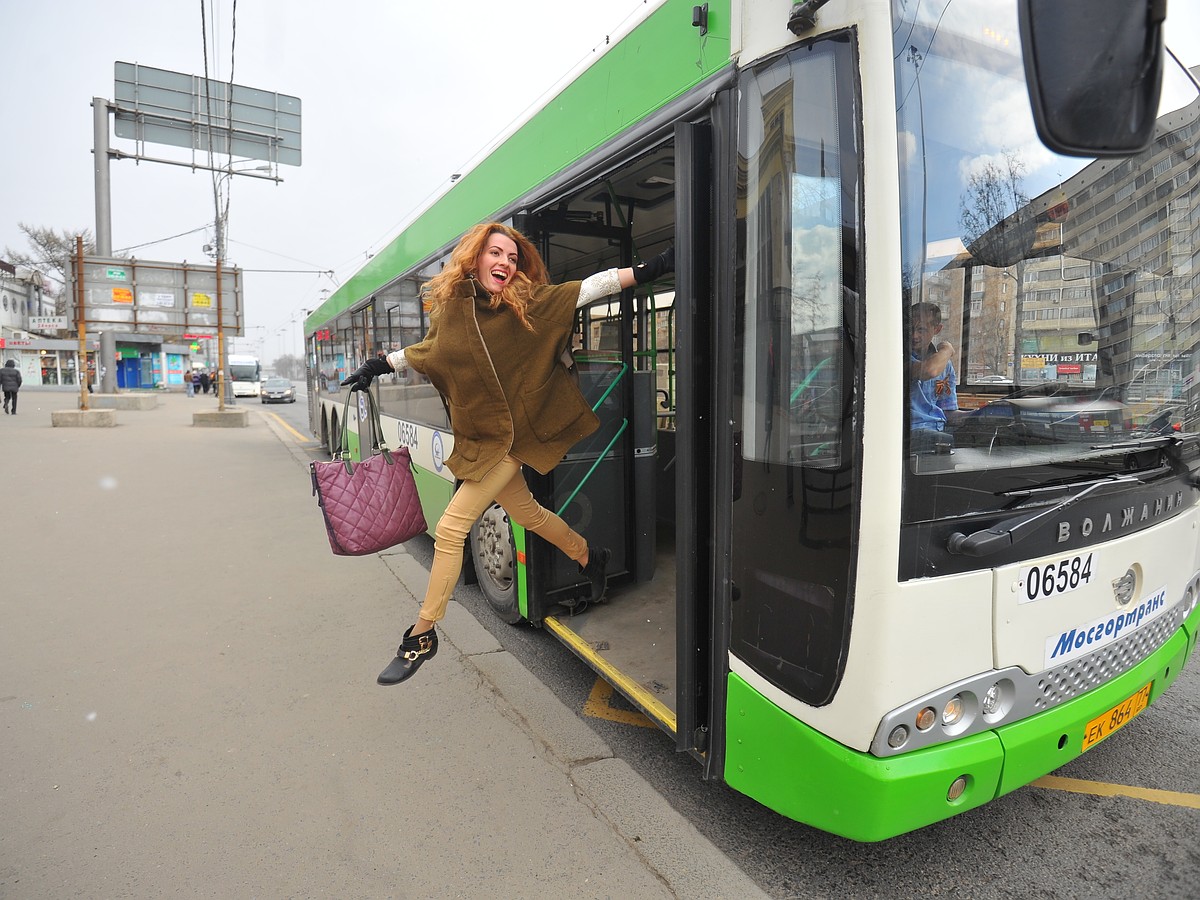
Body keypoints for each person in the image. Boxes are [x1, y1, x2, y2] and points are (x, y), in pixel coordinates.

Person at [342, 222, 674, 686]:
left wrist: (649, 268)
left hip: (512, 438)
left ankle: (421, 634)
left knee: (451, 527)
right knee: (530, 515)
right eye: (495, 253)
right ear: (475, 258)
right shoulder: (453, 311)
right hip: (480, 438)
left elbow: (588, 288)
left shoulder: (528, 305)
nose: (505, 262)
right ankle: (587, 556)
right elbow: (430, 350)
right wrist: (379, 365)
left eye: (513, 257)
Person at [909, 301, 960, 451]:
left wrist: (980, 414)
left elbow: (947, 411)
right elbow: (929, 371)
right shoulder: (899, 356)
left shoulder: (946, 366)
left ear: (937, 329)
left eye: (921, 330)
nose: (914, 335)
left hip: (938, 430)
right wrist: (947, 350)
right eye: (910, 329)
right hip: (909, 431)